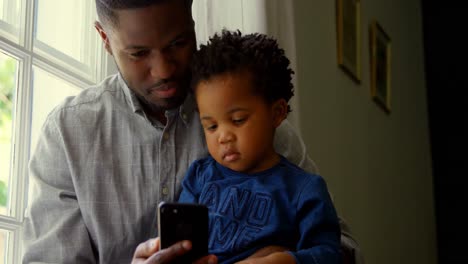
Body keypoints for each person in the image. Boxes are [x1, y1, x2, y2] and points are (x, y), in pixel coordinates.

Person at [21, 0, 360, 263]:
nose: (163, 69)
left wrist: (285, 260)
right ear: (105, 39)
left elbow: (342, 248)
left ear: (193, 21)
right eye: (139, 53)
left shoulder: (259, 123)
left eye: (178, 43)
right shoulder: (66, 135)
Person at [176, 30, 341, 264]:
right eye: (211, 126)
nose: (223, 137)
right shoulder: (199, 178)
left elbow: (330, 255)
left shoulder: (304, 189)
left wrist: (284, 261)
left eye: (238, 120)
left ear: (277, 113)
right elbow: (178, 248)